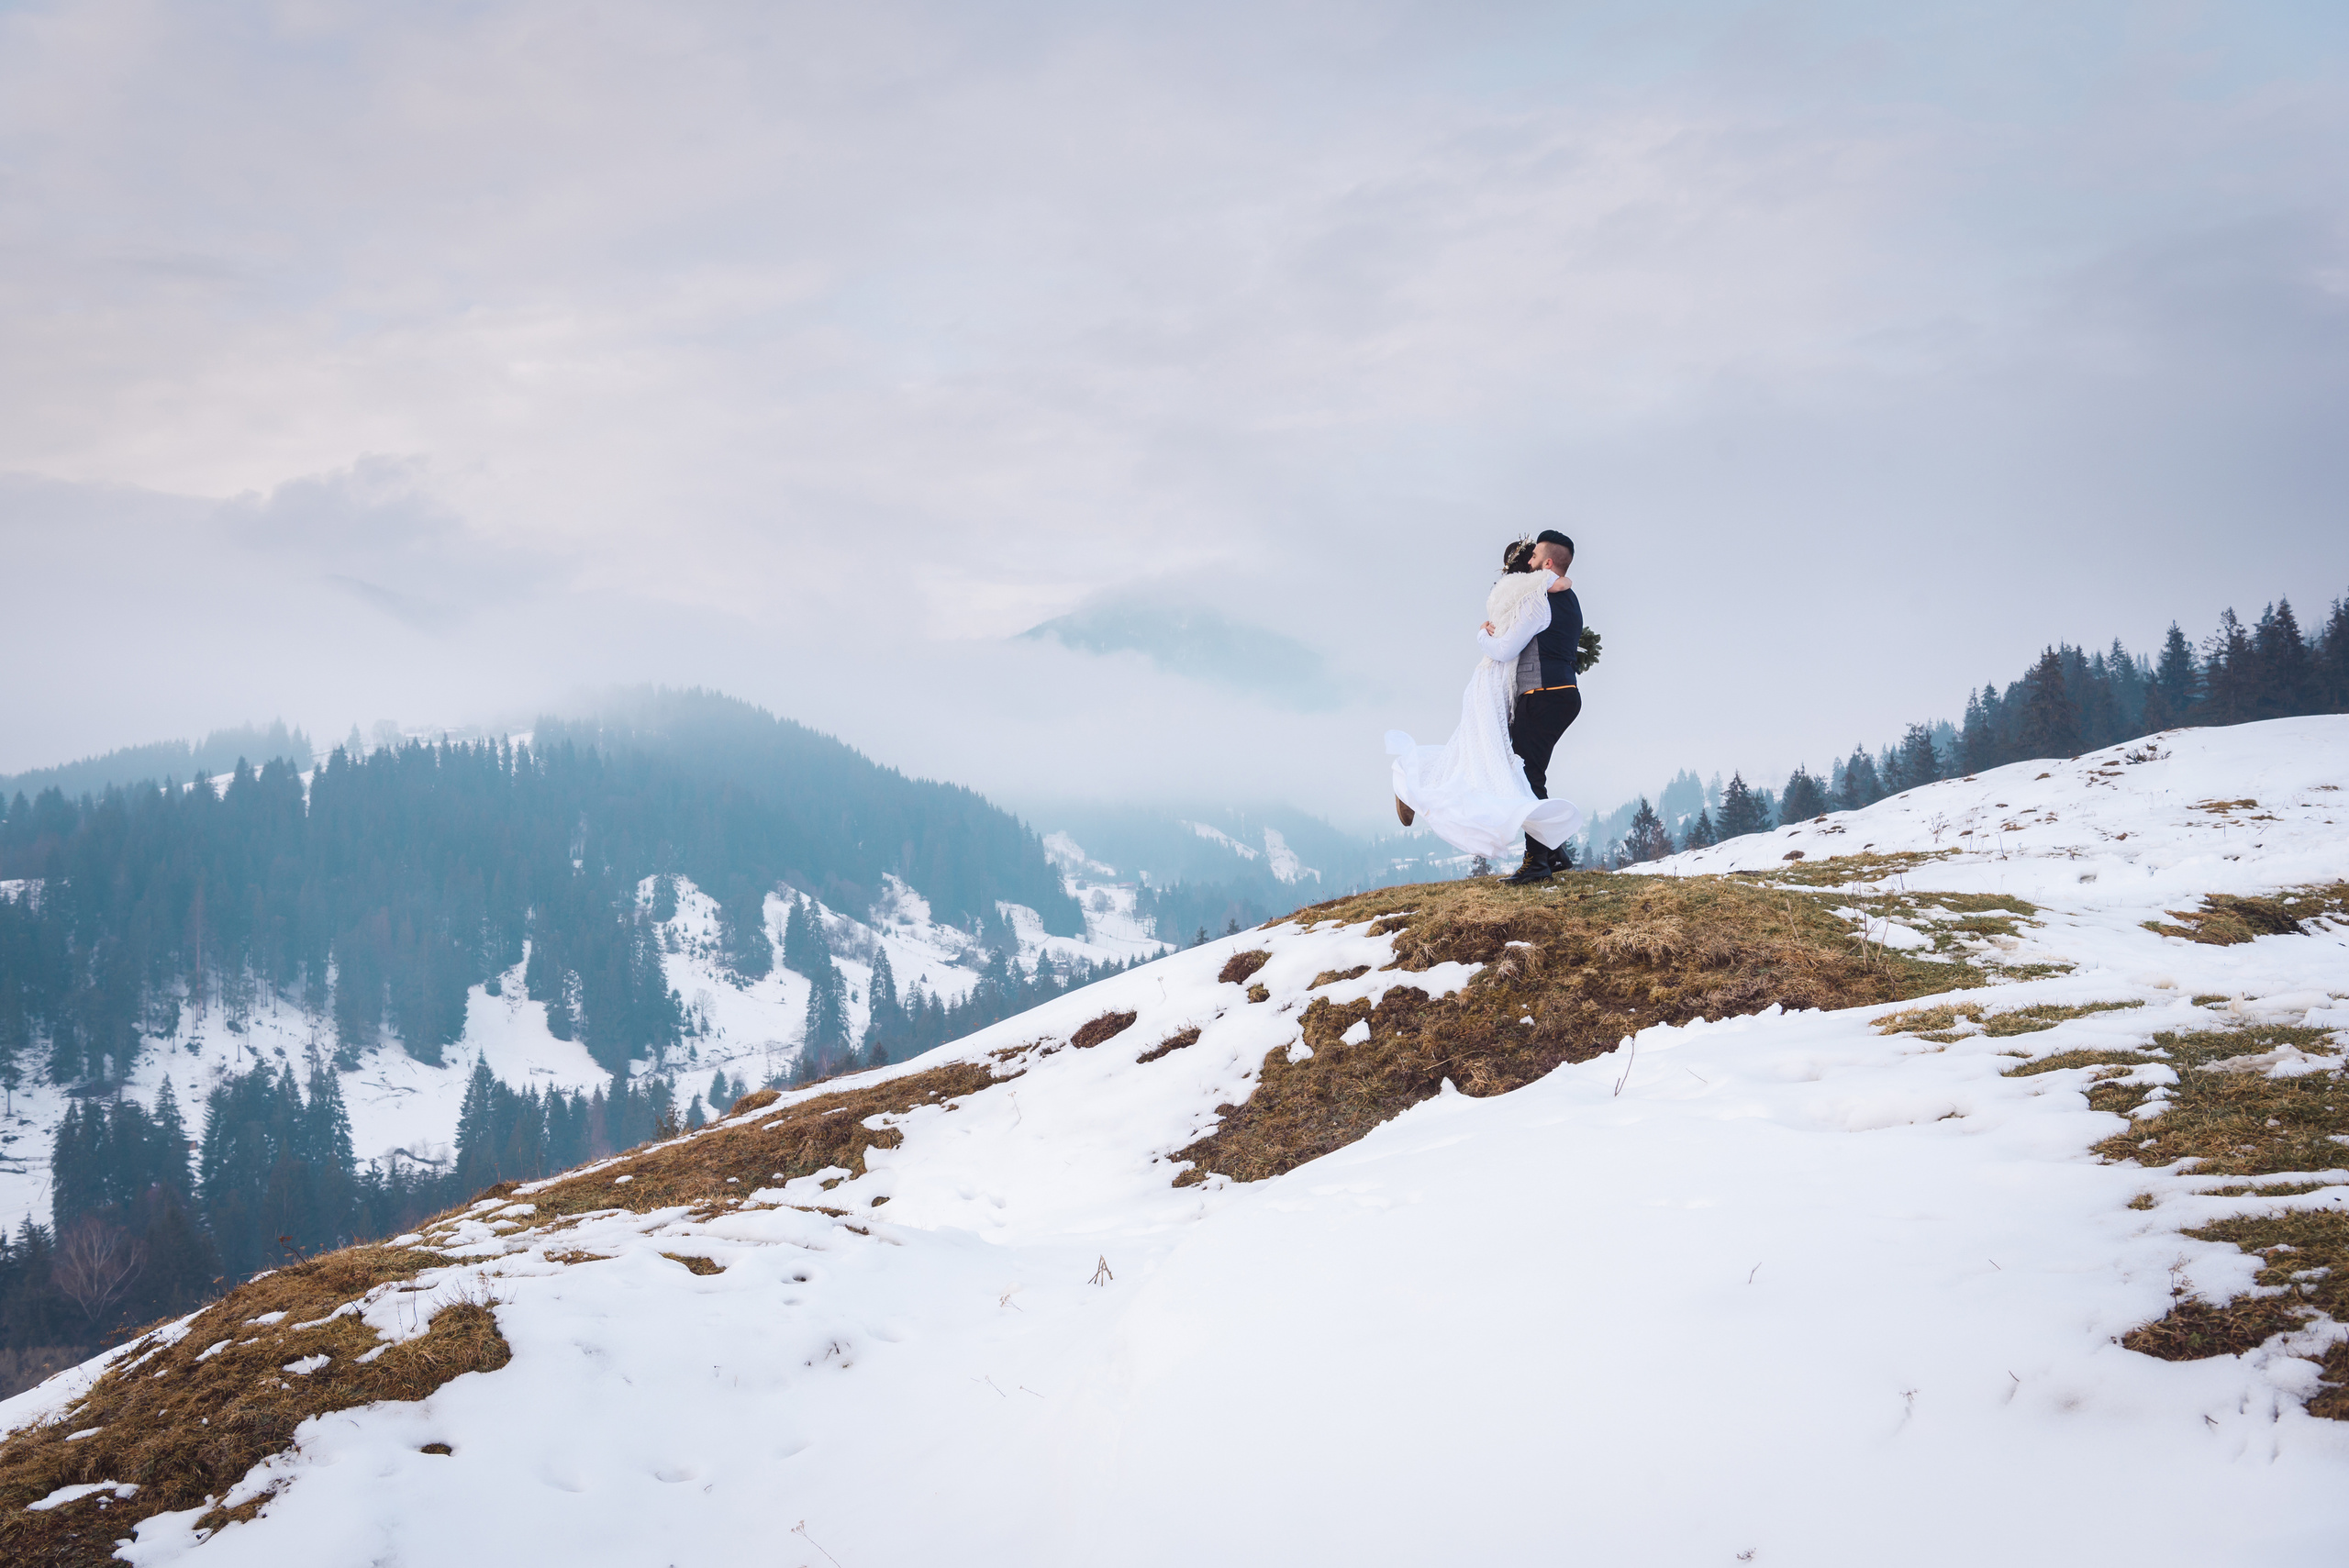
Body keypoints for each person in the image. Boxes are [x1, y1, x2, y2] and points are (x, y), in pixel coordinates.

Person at [1386, 538, 1584, 881]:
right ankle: (1552, 854)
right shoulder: (1569, 598)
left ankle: (1538, 863)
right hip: (1563, 693)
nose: (1532, 561)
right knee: (1526, 771)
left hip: (1542, 693)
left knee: (1525, 774)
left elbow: (1505, 649)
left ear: (1547, 564)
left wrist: (1482, 635)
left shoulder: (1538, 597)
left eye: (1536, 556)